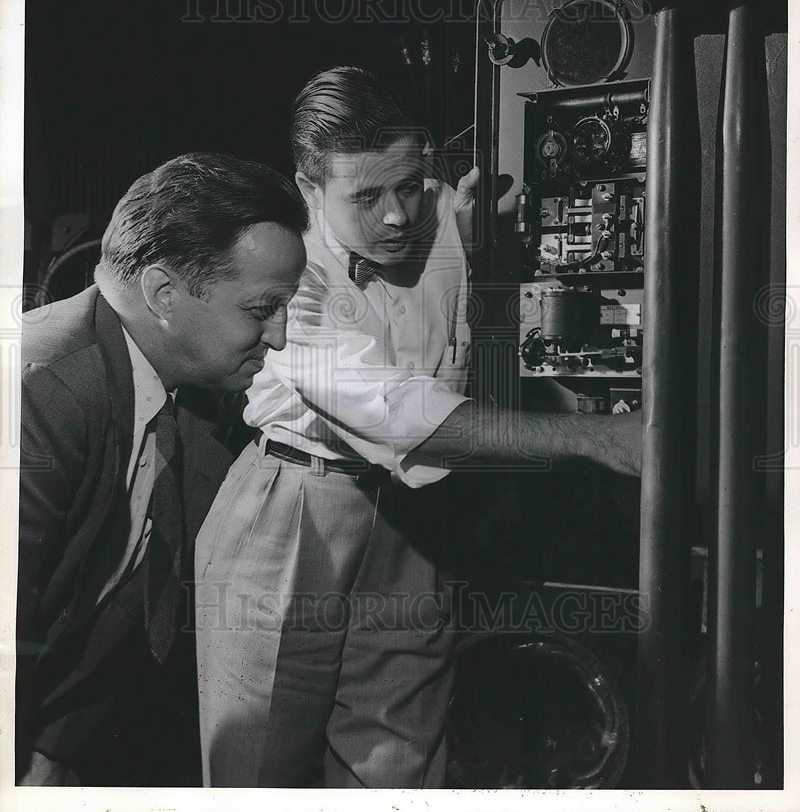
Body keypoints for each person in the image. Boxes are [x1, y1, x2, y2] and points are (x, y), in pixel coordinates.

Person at [195, 68, 642, 788]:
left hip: (413, 510)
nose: (398, 216)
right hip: (293, 507)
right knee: (259, 765)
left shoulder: (442, 209)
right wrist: (595, 439)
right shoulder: (281, 262)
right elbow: (397, 410)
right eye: (365, 198)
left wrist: (483, 243)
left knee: (399, 765)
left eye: (408, 184)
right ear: (308, 189)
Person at [16, 152, 308, 786]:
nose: (279, 338)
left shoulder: (196, 394)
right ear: (164, 294)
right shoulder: (41, 391)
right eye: (261, 309)